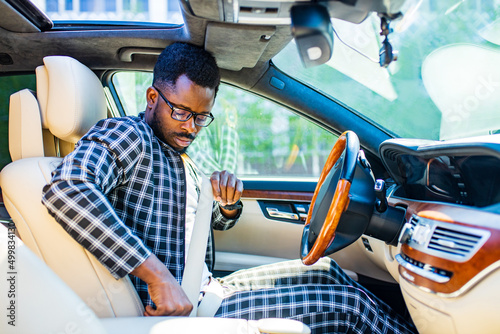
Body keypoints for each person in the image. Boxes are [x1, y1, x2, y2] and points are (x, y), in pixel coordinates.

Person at [42, 42, 416, 333]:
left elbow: (204, 229)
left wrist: (226, 204)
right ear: (152, 97)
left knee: (328, 272)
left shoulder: (175, 153)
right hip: (187, 307)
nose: (190, 128)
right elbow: (69, 189)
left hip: (206, 287)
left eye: (202, 116)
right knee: (348, 307)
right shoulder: (129, 134)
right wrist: (157, 278)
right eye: (181, 112)